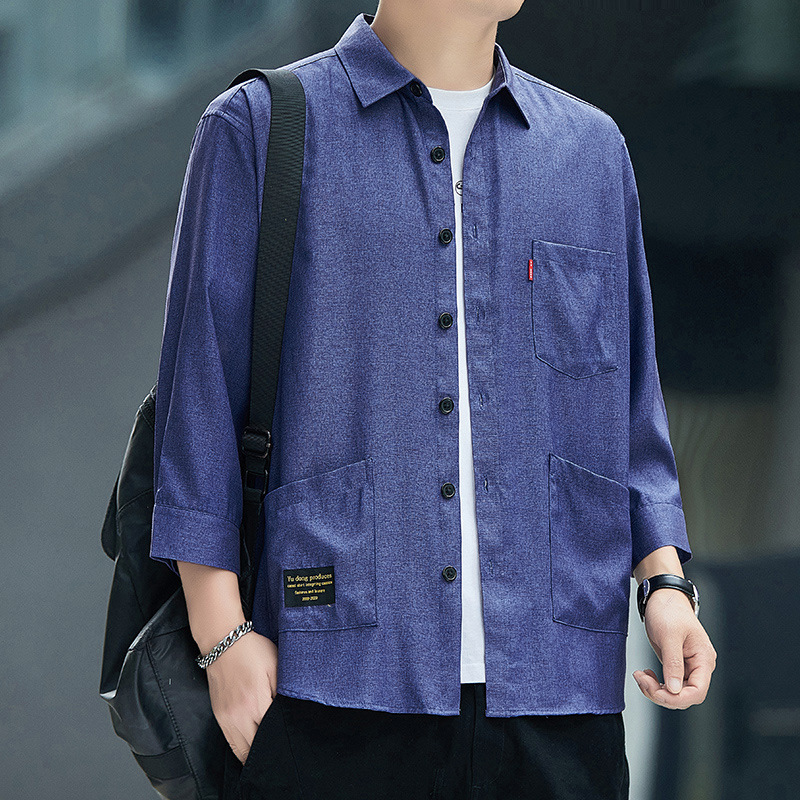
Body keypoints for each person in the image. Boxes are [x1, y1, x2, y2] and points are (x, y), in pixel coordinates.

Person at [149, 2, 718, 798]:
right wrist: (222, 640)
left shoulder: (589, 150)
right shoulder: (260, 128)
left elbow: (626, 405)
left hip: (556, 689)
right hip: (330, 675)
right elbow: (199, 399)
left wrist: (664, 584)